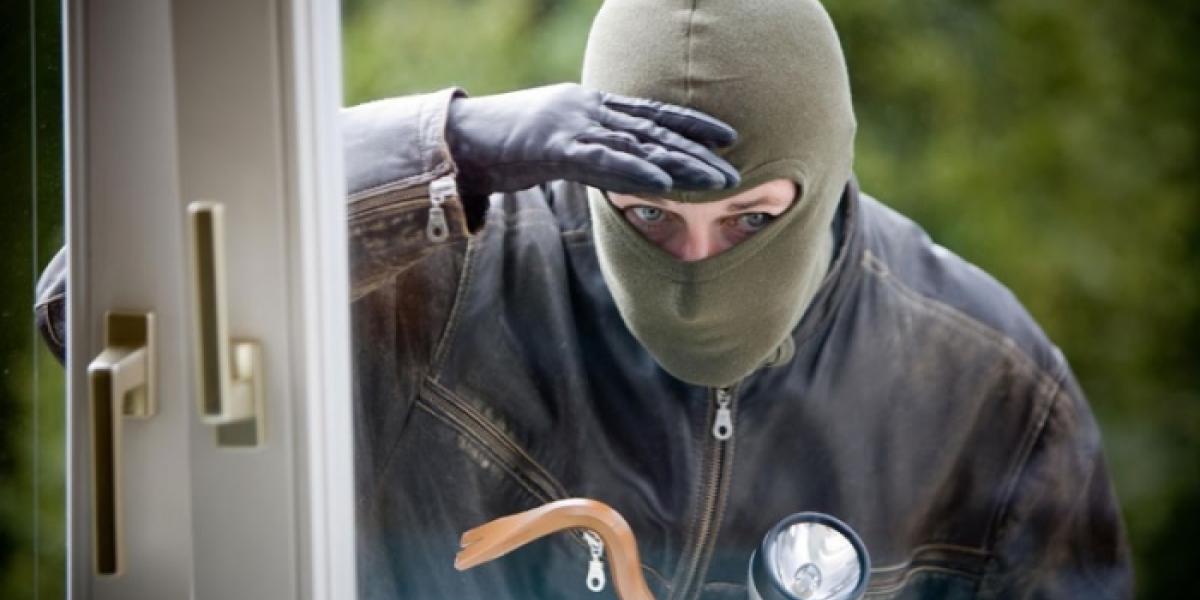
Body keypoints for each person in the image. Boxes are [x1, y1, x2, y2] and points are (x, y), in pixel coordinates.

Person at [37, 0, 1132, 597]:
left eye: (751, 221)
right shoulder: (438, 278)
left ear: (829, 177)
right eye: (649, 215)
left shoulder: (984, 385)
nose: (697, 268)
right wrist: (446, 146)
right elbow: (90, 306)